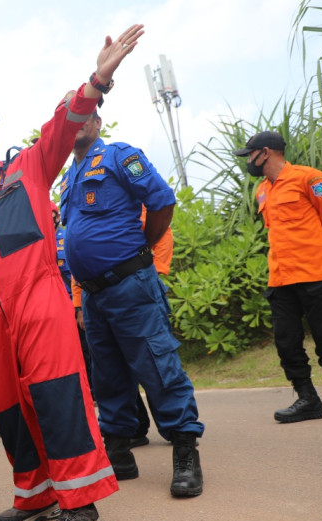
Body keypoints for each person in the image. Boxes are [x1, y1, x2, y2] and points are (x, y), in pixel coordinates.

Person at [0, 26, 143, 521]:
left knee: (57, 395)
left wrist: (98, 80)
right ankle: (36, 493)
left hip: (37, 299)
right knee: (6, 407)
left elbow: (62, 126)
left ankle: (82, 506)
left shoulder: (29, 167)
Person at [60, 108, 205, 499]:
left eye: (85, 116)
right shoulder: (68, 178)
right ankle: (121, 454)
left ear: (97, 124)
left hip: (131, 284)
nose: (79, 124)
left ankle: (185, 452)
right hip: (93, 294)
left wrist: (140, 247)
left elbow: (162, 202)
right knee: (107, 376)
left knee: (158, 366)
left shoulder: (120, 156)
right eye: (71, 118)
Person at [233, 131, 322, 421]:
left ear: (266, 152)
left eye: (250, 155)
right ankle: (307, 399)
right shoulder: (261, 190)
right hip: (280, 279)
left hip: (316, 274)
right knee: (286, 342)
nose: (248, 161)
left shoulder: (310, 178)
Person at [69, 205, 174, 447]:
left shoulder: (129, 200)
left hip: (138, 288)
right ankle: (135, 429)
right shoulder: (79, 207)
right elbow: (79, 261)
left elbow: (162, 232)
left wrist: (151, 272)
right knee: (115, 369)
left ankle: (173, 428)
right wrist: (79, 305)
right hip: (97, 297)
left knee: (152, 362)